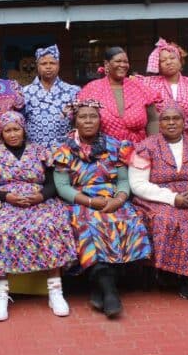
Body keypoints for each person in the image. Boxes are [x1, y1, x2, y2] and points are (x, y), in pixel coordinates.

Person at [53, 99, 151, 319]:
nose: (88, 121)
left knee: (128, 220)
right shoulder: (64, 150)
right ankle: (109, 292)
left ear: (100, 120)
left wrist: (119, 199)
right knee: (88, 224)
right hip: (80, 199)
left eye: (93, 116)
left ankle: (101, 286)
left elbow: (124, 180)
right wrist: (88, 202)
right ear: (75, 121)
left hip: (112, 198)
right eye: (83, 117)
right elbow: (62, 186)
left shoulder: (116, 146)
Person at [0, 111, 76, 321]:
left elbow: (51, 184)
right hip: (1, 200)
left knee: (51, 224)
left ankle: (55, 290)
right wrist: (6, 196)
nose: (12, 134)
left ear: (23, 130)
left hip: (36, 198)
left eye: (16, 129)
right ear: (1, 133)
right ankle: (1, 291)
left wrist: (40, 197)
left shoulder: (39, 151)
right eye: (7, 130)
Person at [128, 106, 188, 299]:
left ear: (184, 122)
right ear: (159, 124)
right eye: (166, 119)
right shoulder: (146, 147)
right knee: (164, 218)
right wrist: (171, 198)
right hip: (157, 198)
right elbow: (137, 184)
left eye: (176, 118)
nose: (171, 122)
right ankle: (167, 272)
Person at [77, 46, 159, 143]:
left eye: (125, 62)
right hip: (103, 152)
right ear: (106, 64)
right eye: (118, 61)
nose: (123, 65)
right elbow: (80, 120)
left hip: (140, 151)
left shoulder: (139, 87)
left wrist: (153, 145)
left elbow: (153, 119)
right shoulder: (91, 89)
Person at [140, 38, 188, 138]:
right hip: (159, 138)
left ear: (180, 60)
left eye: (172, 58)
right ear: (158, 66)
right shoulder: (149, 84)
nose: (168, 62)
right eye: (163, 60)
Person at [22, 44, 81, 153]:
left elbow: (79, 121)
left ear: (58, 65)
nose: (48, 66)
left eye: (52, 63)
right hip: (35, 153)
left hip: (65, 151)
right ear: (37, 66)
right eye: (44, 63)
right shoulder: (25, 92)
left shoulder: (73, 91)